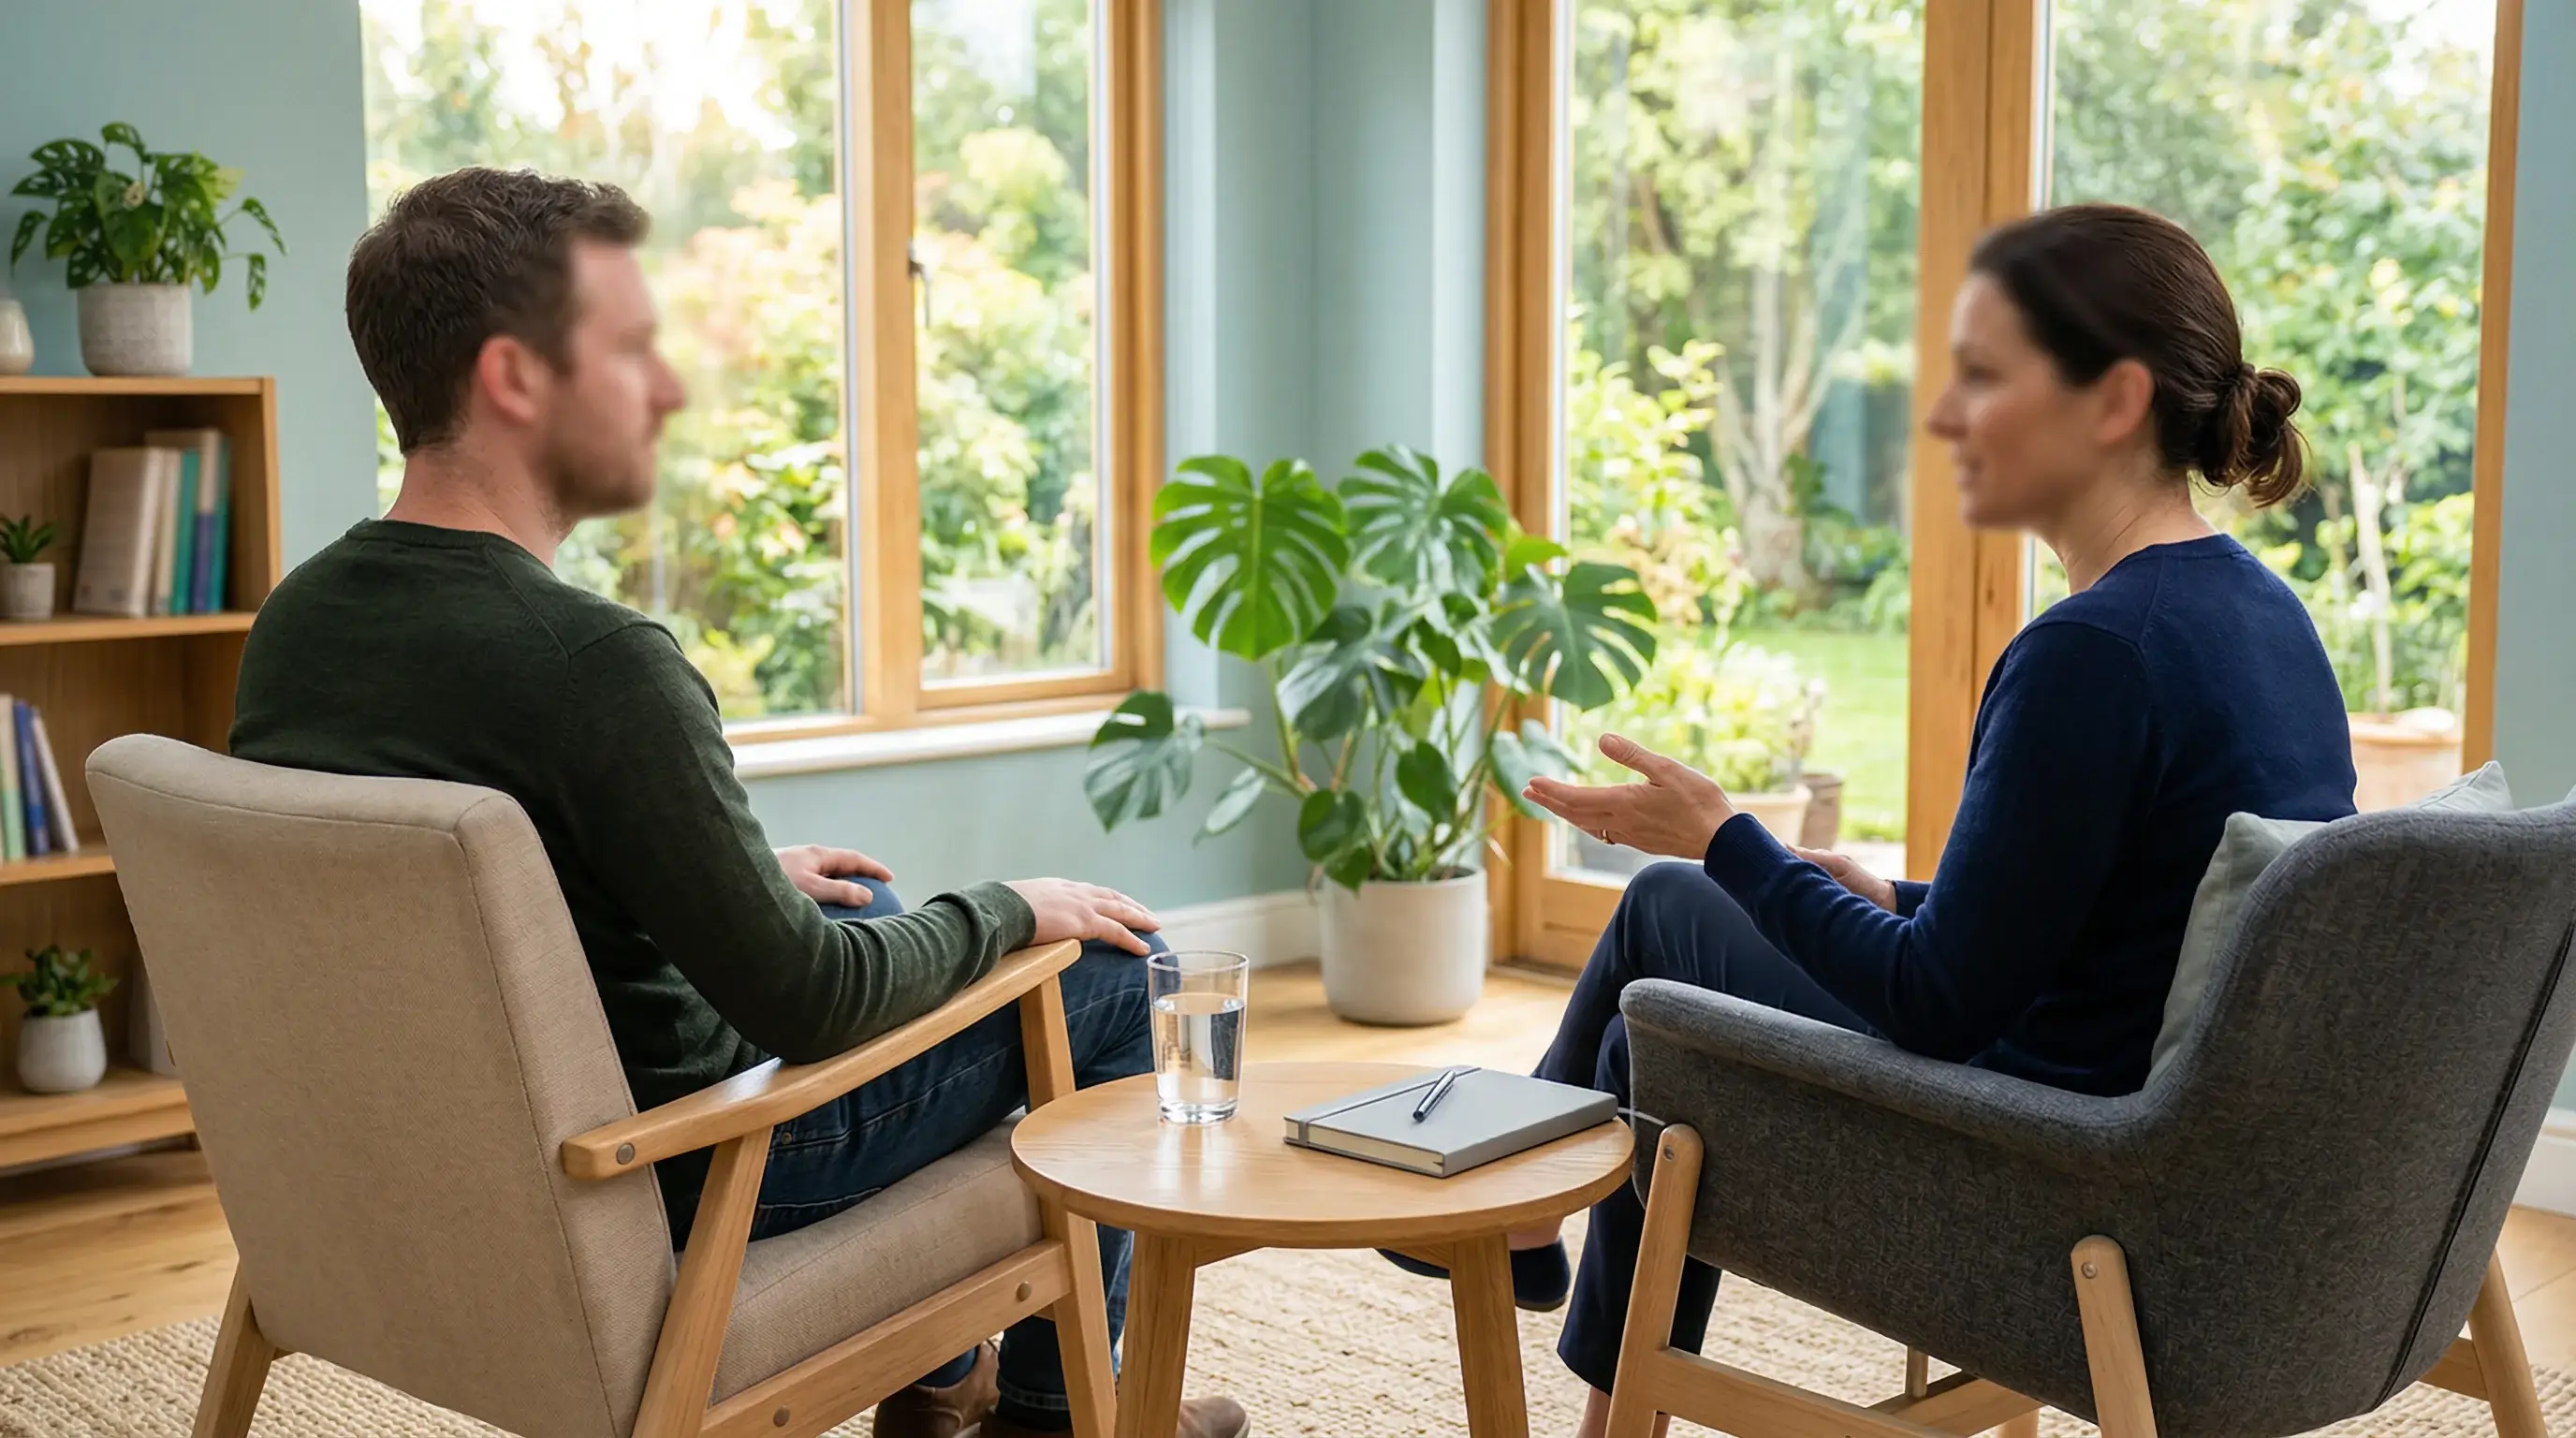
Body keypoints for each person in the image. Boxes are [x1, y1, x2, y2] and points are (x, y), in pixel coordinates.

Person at [229, 167, 1247, 1438]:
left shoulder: (299, 625)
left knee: (864, 901)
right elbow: (808, 1004)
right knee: (1112, 967)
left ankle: (939, 1389)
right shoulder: (595, 667)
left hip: (425, 1181)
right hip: (683, 1178)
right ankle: (1052, 1422)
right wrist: (1008, 907)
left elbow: (462, 885)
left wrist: (735, 871)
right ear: (513, 378)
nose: (666, 389)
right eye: (633, 349)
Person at [1456, 203, 2359, 1437]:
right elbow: (2129, 915)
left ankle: (1526, 1225)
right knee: (1674, 948)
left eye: (1985, 377)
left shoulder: (2094, 651)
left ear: (2112, 405)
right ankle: (1525, 1216)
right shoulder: (2261, 613)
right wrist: (1888, 896)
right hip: (2156, 1131)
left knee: (1665, 981)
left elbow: (1938, 1005)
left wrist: (1730, 837)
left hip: (2040, 1172)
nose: (1942, 417)